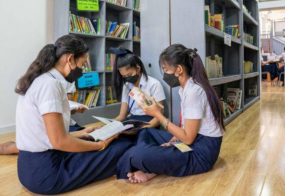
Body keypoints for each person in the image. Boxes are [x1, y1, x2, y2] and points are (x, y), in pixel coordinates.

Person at [15, 35, 133, 195]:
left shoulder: (40, 80)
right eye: (83, 64)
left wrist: (81, 133)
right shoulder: (50, 85)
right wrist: (100, 145)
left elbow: (46, 134)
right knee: (121, 148)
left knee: (99, 140)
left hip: (28, 169)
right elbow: (59, 141)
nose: (83, 70)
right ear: (70, 59)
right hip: (47, 174)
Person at [116, 44, 225, 183]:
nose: (164, 74)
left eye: (166, 69)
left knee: (135, 154)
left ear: (179, 69)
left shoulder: (193, 92)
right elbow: (188, 130)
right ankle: (155, 165)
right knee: (146, 133)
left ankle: (150, 165)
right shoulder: (187, 87)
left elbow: (188, 139)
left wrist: (157, 114)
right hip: (195, 140)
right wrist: (175, 139)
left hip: (200, 154)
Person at [0, 77, 87, 155]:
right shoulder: (46, 84)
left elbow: (64, 108)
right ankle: (7, 147)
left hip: (63, 126)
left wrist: (75, 110)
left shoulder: (68, 81)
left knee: (84, 137)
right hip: (48, 130)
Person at [111, 48, 165, 127]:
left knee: (141, 137)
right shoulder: (126, 86)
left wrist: (141, 129)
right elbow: (122, 116)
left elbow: (158, 117)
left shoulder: (154, 84)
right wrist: (109, 126)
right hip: (133, 121)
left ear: (138, 69)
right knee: (115, 136)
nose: (127, 78)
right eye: (124, 76)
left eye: (129, 75)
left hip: (150, 122)